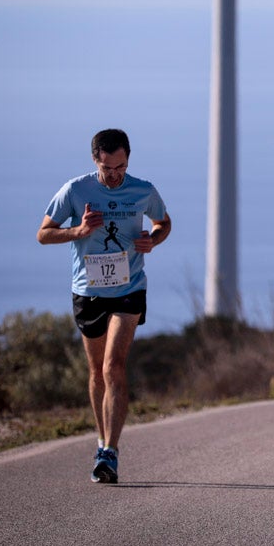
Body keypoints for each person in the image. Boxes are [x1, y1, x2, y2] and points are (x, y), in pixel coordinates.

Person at [37, 129, 171, 483]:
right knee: (96, 372)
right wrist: (77, 232)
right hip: (88, 291)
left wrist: (152, 241)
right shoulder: (75, 190)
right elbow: (44, 233)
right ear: (95, 160)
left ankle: (110, 452)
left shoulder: (143, 189)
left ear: (129, 159)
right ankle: (100, 440)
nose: (115, 175)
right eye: (108, 168)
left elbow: (164, 222)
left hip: (129, 288)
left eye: (121, 166)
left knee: (114, 366)